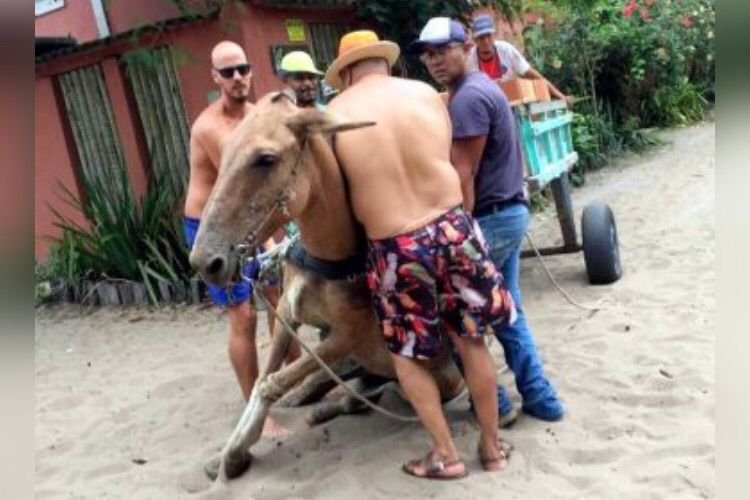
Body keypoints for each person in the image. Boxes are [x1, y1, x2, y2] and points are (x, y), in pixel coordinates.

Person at [325, 30, 516, 479]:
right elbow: (446, 160)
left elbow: (337, 196)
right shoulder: (429, 95)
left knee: (407, 354)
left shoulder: (333, 115)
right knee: (471, 339)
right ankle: (491, 449)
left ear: (347, 72)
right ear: (384, 64)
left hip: (396, 244)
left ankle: (446, 455)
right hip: (453, 227)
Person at [412, 17, 565, 422]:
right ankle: (541, 399)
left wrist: (458, 237)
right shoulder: (476, 90)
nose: (435, 61)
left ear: (465, 46)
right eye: (428, 55)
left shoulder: (468, 98)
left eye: (442, 50)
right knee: (509, 311)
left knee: (456, 319)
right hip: (508, 213)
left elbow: (463, 173)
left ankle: (494, 406)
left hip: (490, 220)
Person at [183, 41, 291, 406]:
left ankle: (290, 382)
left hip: (253, 221)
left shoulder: (257, 115)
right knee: (243, 317)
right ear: (215, 77)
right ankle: (256, 407)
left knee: (281, 299)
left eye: (243, 69)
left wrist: (273, 239)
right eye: (228, 72)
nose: (238, 77)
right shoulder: (210, 127)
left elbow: (268, 187)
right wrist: (268, 243)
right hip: (215, 229)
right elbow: (241, 187)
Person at [468, 14, 572, 106]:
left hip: (511, 105)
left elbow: (536, 77)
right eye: (481, 37)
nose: (486, 41)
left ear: (494, 35)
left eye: (488, 36)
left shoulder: (507, 50)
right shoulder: (470, 60)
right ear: (475, 40)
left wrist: (560, 96)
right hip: (485, 106)